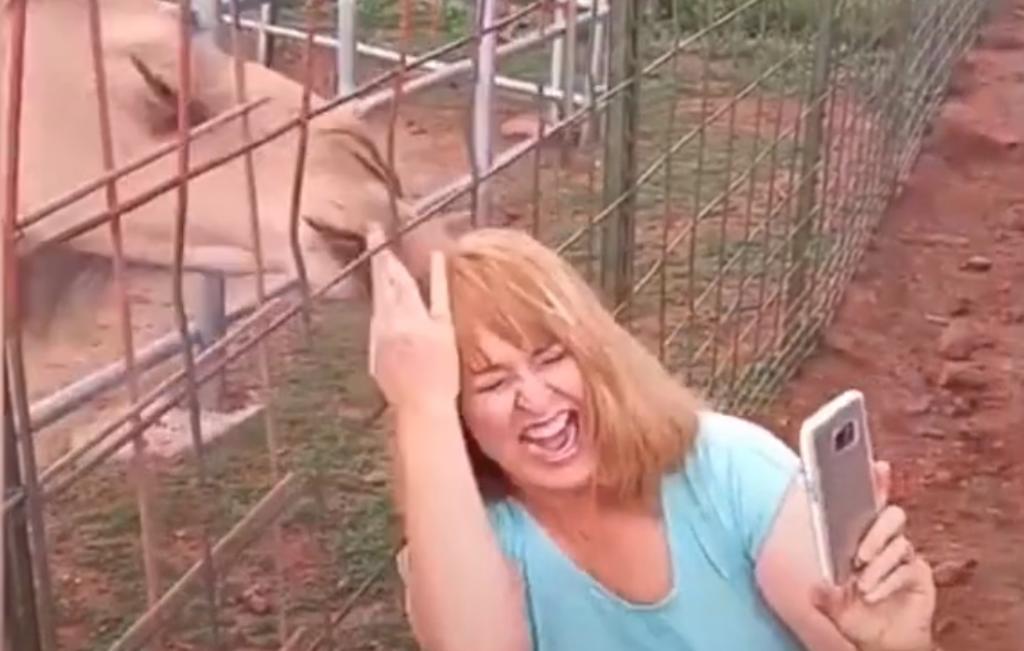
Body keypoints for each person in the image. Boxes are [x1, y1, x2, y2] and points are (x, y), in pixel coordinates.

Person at [365, 223, 937, 651]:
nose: (535, 400)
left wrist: (897, 648)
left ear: (598, 354)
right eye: (491, 383)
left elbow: (851, 634)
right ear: (458, 414)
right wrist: (420, 408)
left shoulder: (728, 468)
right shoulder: (470, 544)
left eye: (552, 357)